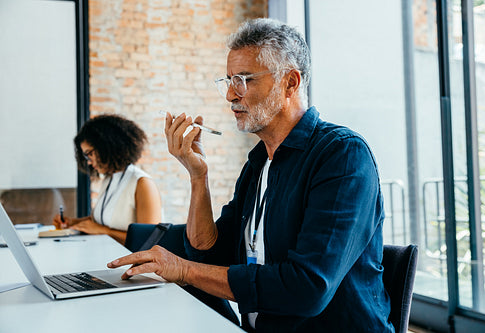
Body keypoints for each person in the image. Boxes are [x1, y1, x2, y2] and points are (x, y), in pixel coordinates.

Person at [108, 18, 393, 332]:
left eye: (244, 79)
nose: (231, 95)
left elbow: (308, 289)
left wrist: (183, 270)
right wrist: (197, 175)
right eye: (229, 80)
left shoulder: (342, 156)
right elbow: (208, 254)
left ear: (291, 83)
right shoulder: (259, 164)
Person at [53, 114, 162, 244]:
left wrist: (104, 231)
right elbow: (102, 220)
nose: (88, 162)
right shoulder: (109, 179)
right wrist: (74, 222)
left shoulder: (142, 183)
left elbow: (150, 239)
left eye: (90, 154)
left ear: (108, 146)